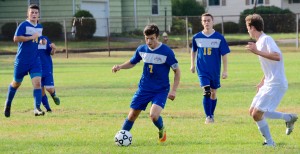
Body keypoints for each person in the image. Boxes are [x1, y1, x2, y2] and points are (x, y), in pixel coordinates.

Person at [112, 24, 181, 143]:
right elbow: (133, 62)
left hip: (161, 90)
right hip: (144, 88)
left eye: (152, 38)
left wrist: (173, 90)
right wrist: (120, 67)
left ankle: (161, 128)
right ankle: (121, 138)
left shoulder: (166, 52)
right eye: (146, 38)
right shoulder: (141, 49)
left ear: (157, 37)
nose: (149, 41)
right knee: (133, 114)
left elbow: (177, 71)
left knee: (153, 116)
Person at [245, 14, 298, 147]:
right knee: (252, 111)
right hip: (269, 82)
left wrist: (257, 52)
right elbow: (270, 64)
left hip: (276, 83)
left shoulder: (267, 39)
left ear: (252, 27)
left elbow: (277, 56)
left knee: (257, 114)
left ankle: (270, 142)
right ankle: (289, 117)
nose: (247, 30)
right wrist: (262, 80)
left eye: (247, 27)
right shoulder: (260, 42)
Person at [3, 4, 46, 117]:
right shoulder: (23, 25)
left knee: (37, 83)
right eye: (32, 12)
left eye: (36, 13)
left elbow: (38, 39)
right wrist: (31, 37)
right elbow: (16, 38)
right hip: (21, 60)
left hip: (34, 60)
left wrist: (42, 41)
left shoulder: (40, 27)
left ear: (39, 14)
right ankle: (8, 104)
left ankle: (37, 108)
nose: (34, 14)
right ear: (28, 13)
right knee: (16, 83)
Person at [190, 13, 230, 124]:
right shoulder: (197, 37)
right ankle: (208, 117)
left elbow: (224, 54)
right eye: (204, 21)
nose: (206, 22)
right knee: (206, 91)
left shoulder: (219, 38)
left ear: (213, 22)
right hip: (202, 69)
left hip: (215, 70)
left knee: (213, 93)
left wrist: (225, 70)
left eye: (208, 20)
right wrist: (192, 64)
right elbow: (193, 51)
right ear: (202, 22)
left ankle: (211, 114)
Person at [38, 35, 60, 112]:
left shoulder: (44, 39)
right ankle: (48, 109)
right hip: (35, 68)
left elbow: (51, 53)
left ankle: (53, 95)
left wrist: (53, 48)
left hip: (46, 67)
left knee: (49, 88)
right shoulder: (28, 40)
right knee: (40, 90)